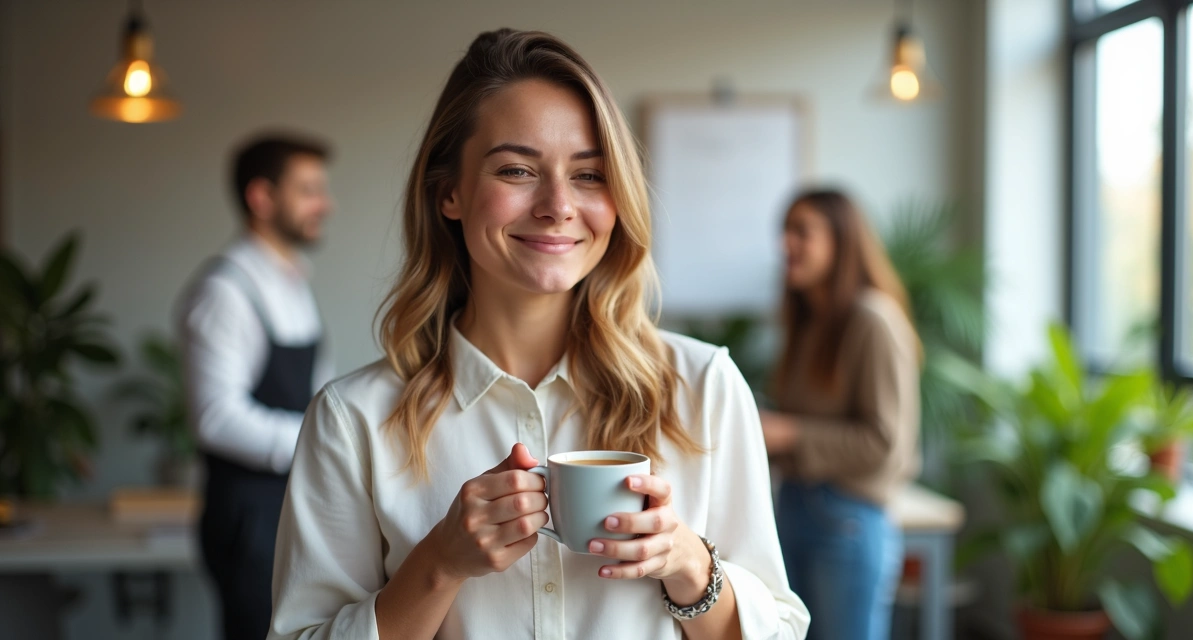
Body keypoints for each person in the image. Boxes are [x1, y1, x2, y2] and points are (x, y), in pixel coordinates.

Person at [267, 29, 809, 640]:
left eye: (589, 175)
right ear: (449, 192)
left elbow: (781, 630)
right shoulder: (352, 420)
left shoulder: (704, 387)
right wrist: (438, 565)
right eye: (517, 169)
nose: (557, 205)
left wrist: (687, 563)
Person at [178, 133, 335, 640]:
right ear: (261, 197)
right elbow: (216, 419)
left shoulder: (293, 279)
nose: (325, 204)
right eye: (309, 189)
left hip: (289, 506)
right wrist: (322, 444)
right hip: (248, 520)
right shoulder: (225, 292)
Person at [759, 189, 921, 640]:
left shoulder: (874, 319)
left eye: (801, 232)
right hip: (794, 505)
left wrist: (787, 434)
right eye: (784, 231)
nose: (785, 244)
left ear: (841, 240)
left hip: (847, 521)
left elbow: (886, 445)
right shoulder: (810, 322)